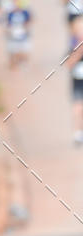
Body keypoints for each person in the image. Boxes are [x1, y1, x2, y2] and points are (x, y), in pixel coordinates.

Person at [67, 15, 83, 143]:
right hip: (78, 80)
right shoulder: (73, 45)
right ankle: (78, 132)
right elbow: (68, 64)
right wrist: (78, 53)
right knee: (78, 107)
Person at [5, 0, 33, 68]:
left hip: (23, 34)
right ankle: (13, 65)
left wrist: (26, 28)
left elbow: (29, 21)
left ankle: (23, 62)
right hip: (13, 35)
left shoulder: (25, 12)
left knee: (24, 51)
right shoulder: (10, 13)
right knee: (13, 51)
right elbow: (7, 24)